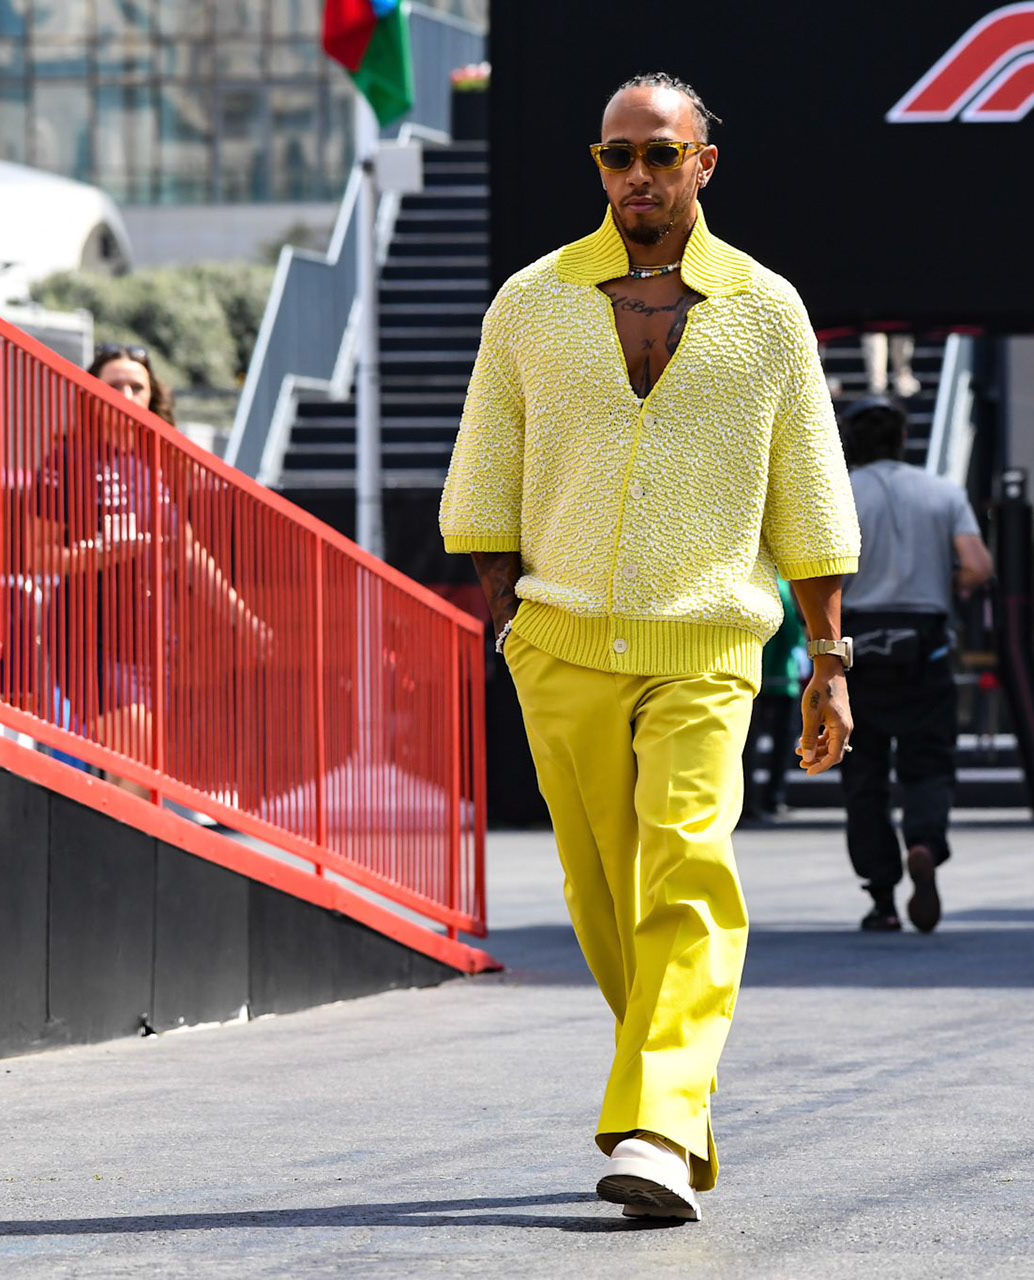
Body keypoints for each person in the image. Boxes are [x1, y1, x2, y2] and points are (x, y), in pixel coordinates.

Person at [440, 73, 860, 1223]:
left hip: (708, 641)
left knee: (687, 862)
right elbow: (483, 481)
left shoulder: (766, 309)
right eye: (618, 156)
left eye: (659, 155)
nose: (638, 176)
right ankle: (679, 1106)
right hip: (561, 641)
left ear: (702, 164)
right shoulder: (531, 302)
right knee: (599, 893)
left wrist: (830, 659)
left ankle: (656, 1124)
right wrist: (513, 623)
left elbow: (811, 500)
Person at [28, 344, 265, 796]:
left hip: (152, 637)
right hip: (89, 633)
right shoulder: (68, 460)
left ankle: (105, 860)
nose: (127, 395)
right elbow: (36, 555)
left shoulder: (161, 458)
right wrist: (102, 554)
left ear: (152, 396)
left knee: (135, 775)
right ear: (91, 394)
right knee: (138, 759)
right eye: (114, 385)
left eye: (137, 386)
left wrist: (245, 621)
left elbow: (188, 551)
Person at [836, 397, 992, 933]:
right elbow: (977, 566)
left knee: (864, 774)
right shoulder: (944, 493)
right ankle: (923, 840)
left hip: (857, 642)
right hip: (924, 642)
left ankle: (881, 896)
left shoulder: (839, 492)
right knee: (928, 760)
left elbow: (814, 573)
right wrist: (940, 586)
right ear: (903, 439)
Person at [742, 578, 805, 823]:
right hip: (782, 677)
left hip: (752, 673)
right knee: (782, 743)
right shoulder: (784, 586)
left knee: (747, 745)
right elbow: (792, 632)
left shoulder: (752, 580)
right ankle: (774, 797)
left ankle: (746, 801)